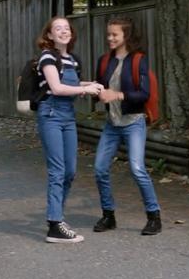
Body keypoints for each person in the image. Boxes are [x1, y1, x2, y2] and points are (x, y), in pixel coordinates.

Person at [35, 16, 104, 243]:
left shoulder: (73, 60)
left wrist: (90, 84)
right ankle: (55, 224)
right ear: (50, 35)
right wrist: (86, 90)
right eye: (58, 28)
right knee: (57, 170)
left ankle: (57, 217)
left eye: (66, 28)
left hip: (68, 117)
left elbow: (72, 84)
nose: (63, 31)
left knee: (70, 171)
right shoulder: (48, 57)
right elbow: (56, 88)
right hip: (52, 115)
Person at [92, 16, 162, 236]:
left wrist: (118, 94)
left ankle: (154, 216)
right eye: (109, 34)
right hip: (112, 124)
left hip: (133, 123)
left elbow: (144, 93)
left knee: (137, 169)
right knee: (100, 169)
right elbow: (100, 90)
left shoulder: (138, 60)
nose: (110, 38)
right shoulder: (104, 60)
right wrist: (93, 90)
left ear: (126, 36)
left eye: (115, 34)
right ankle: (108, 215)